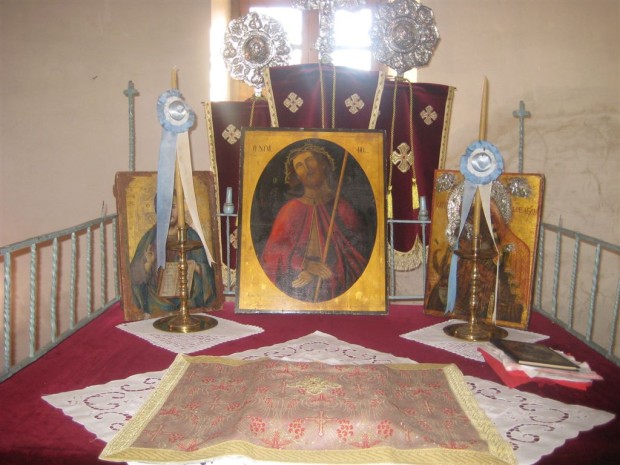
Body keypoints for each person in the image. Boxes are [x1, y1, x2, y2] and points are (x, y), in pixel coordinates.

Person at [259, 144, 371, 302]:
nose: (306, 168)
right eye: (299, 166)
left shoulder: (342, 208)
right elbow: (273, 253)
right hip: (296, 286)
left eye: (309, 160)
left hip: (338, 290)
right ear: (297, 176)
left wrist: (321, 271)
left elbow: (355, 254)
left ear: (323, 163)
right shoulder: (290, 210)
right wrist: (305, 265)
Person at [129, 196, 217, 317]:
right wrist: (148, 264)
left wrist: (196, 267)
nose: (169, 212)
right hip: (157, 301)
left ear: (180, 209)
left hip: (189, 298)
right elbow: (134, 276)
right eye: (164, 207)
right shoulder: (149, 238)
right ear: (157, 210)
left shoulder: (191, 236)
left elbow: (208, 272)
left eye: (173, 207)